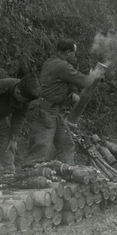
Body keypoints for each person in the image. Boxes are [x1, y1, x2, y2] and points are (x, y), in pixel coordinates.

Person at [23, 39, 105, 167]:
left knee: (66, 143)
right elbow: (84, 82)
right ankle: (30, 179)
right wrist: (93, 75)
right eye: (74, 53)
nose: (75, 56)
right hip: (43, 111)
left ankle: (69, 173)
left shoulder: (52, 62)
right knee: (40, 151)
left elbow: (65, 80)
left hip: (52, 111)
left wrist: (73, 91)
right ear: (67, 52)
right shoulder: (62, 66)